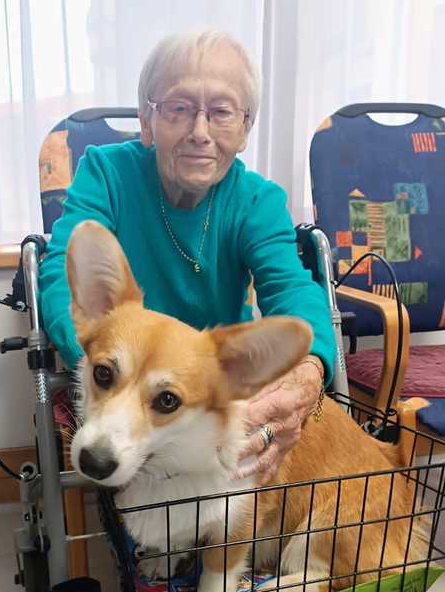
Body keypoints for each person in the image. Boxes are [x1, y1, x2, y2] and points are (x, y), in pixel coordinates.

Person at [39, 29, 336, 479]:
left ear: (244, 129)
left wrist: (310, 366)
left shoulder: (258, 201)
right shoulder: (106, 172)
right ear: (146, 120)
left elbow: (291, 288)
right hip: (119, 376)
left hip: (201, 395)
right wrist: (106, 355)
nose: (200, 132)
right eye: (178, 108)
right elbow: (64, 274)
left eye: (221, 112)